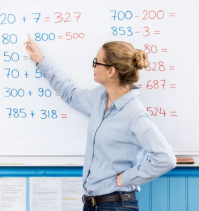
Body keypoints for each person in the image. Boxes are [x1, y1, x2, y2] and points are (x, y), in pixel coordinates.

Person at [25, 36, 177, 211]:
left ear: (111, 71)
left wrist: (126, 179)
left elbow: (166, 159)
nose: (93, 66)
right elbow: (71, 94)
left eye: (97, 62)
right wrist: (41, 61)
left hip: (117, 206)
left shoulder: (135, 114)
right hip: (92, 204)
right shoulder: (99, 98)